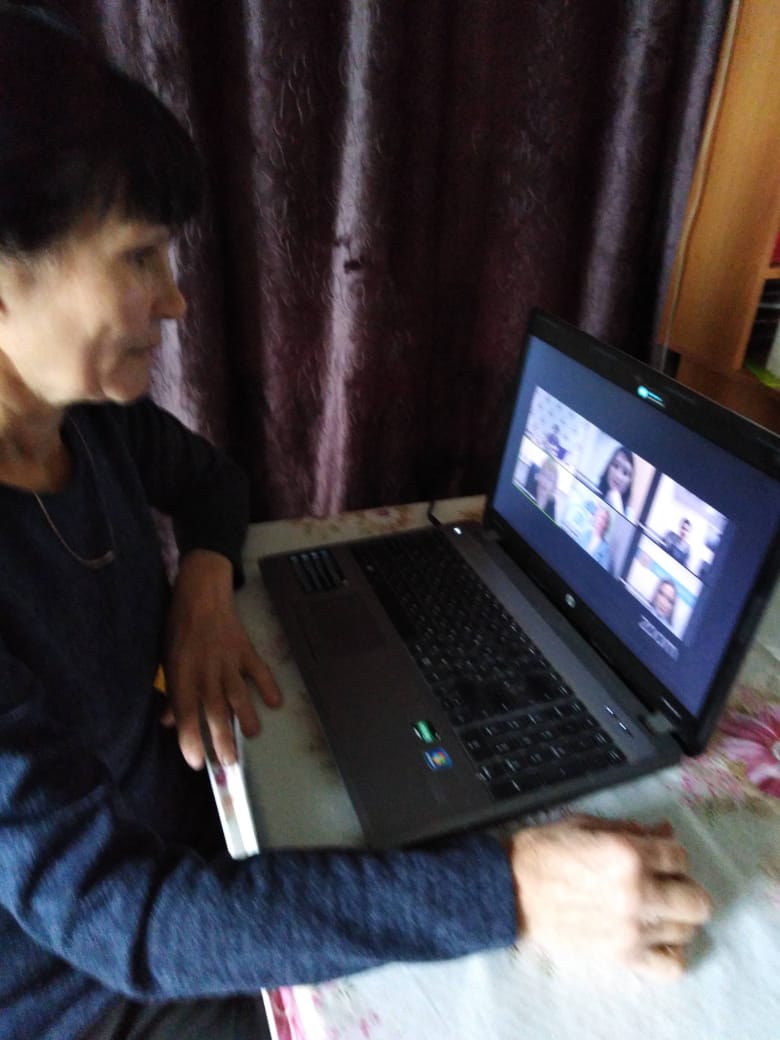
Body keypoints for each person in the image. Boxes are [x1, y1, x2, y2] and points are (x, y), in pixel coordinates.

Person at [0, 7, 712, 1040]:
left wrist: (203, 589)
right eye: (140, 257)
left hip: (181, 827)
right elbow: (127, 920)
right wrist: (515, 891)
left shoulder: (82, 419)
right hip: (83, 983)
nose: (176, 302)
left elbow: (212, 483)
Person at [597, 445, 635, 520]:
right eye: (616, 466)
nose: (618, 476)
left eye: (625, 473)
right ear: (608, 467)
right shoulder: (591, 494)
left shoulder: (629, 515)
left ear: (629, 483)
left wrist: (618, 509)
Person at [524, 456, 559, 520]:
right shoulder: (530, 487)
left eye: (550, 479)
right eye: (544, 474)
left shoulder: (551, 502)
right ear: (539, 475)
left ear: (553, 486)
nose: (545, 481)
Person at [584, 504, 613, 574]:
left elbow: (601, 574)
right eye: (599, 517)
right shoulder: (585, 534)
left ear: (606, 525)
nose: (601, 521)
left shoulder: (606, 551)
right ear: (595, 518)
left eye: (604, 519)